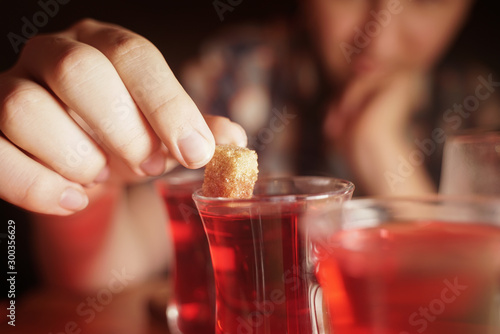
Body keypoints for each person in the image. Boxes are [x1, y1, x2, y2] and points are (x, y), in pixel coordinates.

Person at [0, 0, 496, 291]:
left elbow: (473, 298)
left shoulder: (483, 107)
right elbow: (105, 271)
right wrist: (86, 179)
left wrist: (381, 149)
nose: (378, 37)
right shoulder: (237, 79)